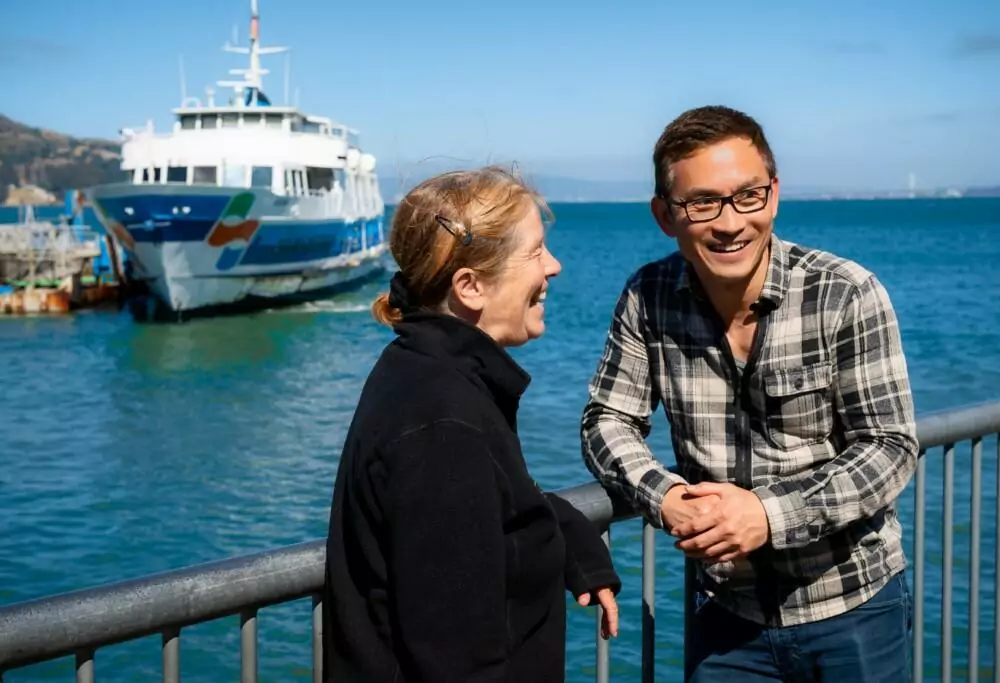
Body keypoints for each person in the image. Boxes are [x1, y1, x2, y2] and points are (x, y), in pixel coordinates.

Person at [581, 105, 918, 682]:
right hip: (725, 615)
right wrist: (666, 498)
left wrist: (768, 515)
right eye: (703, 202)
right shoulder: (648, 297)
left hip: (852, 607)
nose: (731, 223)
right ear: (665, 215)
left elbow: (889, 446)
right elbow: (606, 419)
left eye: (748, 196)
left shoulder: (844, 292)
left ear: (775, 194)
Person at [324, 166, 621, 683]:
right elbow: (458, 662)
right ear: (471, 286)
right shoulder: (443, 423)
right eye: (535, 252)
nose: (554, 266)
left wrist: (563, 530)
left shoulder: (420, 372)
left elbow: (478, 513)